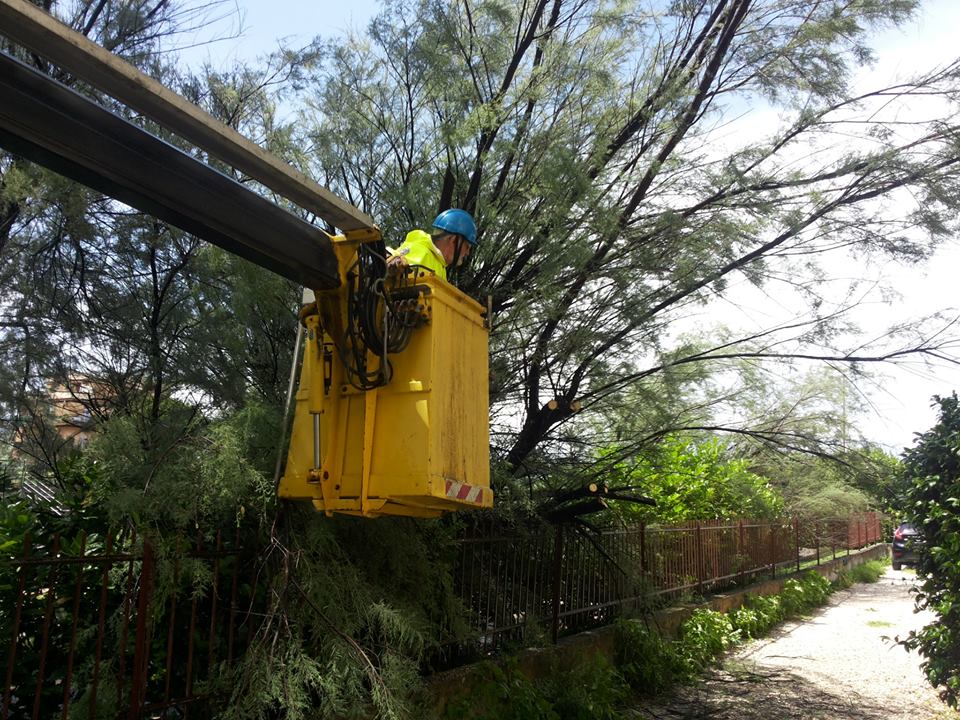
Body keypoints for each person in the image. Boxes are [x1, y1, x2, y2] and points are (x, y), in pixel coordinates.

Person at [386, 209, 477, 282]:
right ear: (453, 240)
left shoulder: (438, 264)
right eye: (467, 247)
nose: (467, 253)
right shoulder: (421, 253)